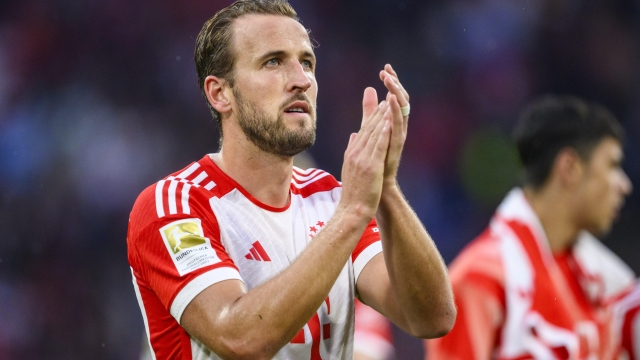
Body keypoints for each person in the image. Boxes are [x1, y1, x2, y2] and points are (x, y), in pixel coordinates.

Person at [127, 1, 456, 359]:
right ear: (220, 93)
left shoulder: (330, 198)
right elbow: (240, 339)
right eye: (273, 62)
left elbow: (431, 318)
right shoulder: (175, 206)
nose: (301, 80)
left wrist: (387, 188)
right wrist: (352, 213)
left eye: (307, 63)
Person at [425, 95, 635, 359]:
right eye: (612, 165)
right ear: (569, 167)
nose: (624, 185)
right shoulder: (480, 279)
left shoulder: (613, 285)